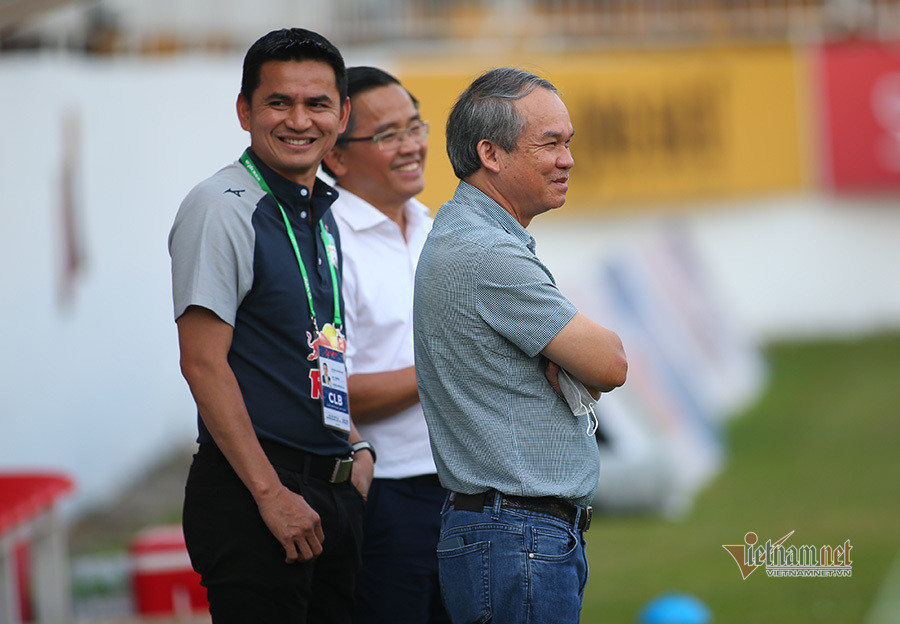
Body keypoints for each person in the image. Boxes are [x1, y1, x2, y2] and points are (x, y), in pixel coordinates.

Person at [168, 28, 375, 624]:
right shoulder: (222, 206)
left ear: (342, 114)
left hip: (329, 488)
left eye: (317, 104)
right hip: (259, 492)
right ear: (244, 111)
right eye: (278, 102)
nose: (299, 120)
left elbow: (313, 347)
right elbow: (202, 362)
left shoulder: (323, 211)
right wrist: (269, 494)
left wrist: (355, 444)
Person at [412, 67, 628, 624]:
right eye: (550, 143)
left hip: (510, 537)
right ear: (491, 153)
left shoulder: (472, 234)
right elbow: (609, 364)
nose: (568, 159)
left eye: (568, 142)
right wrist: (570, 360)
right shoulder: (488, 253)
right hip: (517, 539)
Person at [322, 66, 450, 624]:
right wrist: (453, 369)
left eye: (415, 127)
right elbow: (329, 394)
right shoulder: (325, 245)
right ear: (336, 156)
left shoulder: (435, 227)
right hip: (385, 495)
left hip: (466, 487)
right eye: (387, 135)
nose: (411, 146)